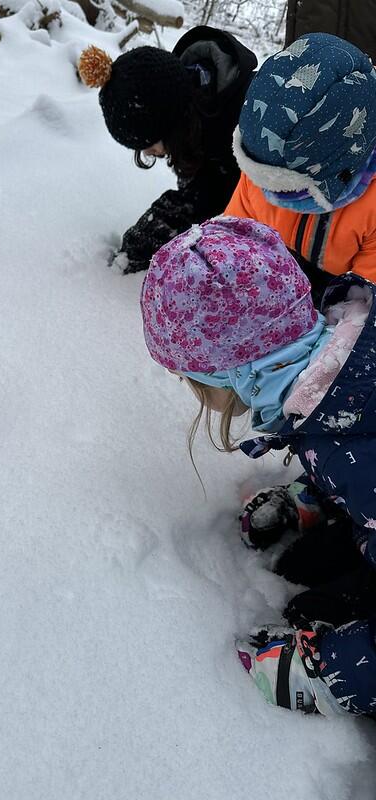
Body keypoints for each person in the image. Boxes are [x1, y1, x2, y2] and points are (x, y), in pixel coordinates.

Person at [140, 215, 376, 716]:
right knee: (304, 579)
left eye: (191, 376)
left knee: (314, 611)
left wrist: (330, 675)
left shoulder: (359, 451)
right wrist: (323, 495)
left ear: (237, 370)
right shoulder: (339, 375)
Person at [77, 27, 257, 273]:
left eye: (149, 143)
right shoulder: (195, 116)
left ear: (171, 123)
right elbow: (204, 190)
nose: (149, 153)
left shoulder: (252, 119)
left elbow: (241, 203)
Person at [225, 32, 376, 305]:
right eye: (262, 180)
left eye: (291, 188)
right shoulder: (263, 165)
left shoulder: (371, 207)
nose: (270, 192)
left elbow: (363, 312)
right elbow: (231, 241)